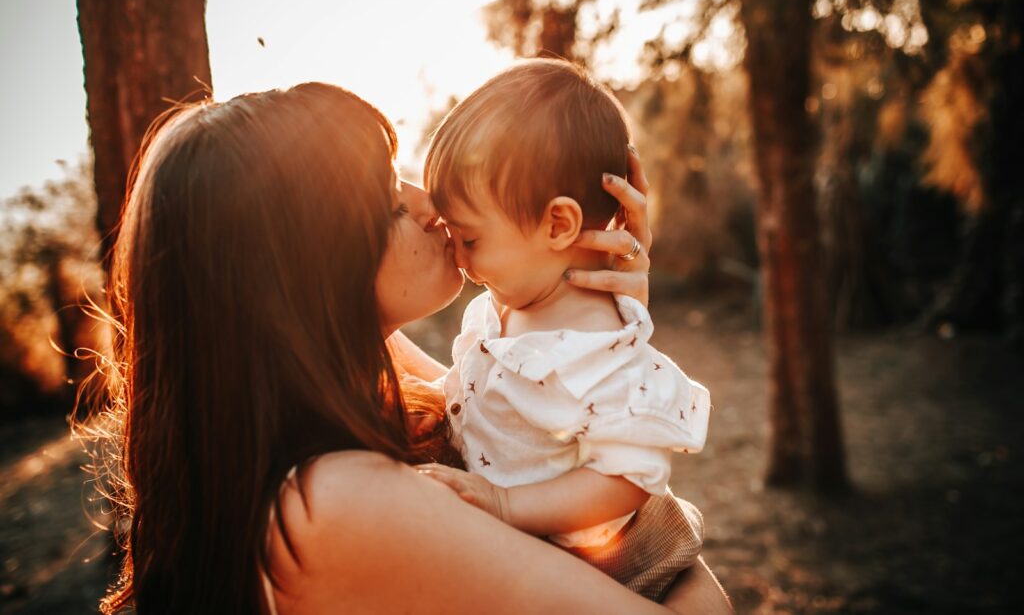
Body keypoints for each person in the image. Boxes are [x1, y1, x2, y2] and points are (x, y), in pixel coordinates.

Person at [84, 81, 733, 613]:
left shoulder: (369, 378)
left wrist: (601, 324)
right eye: (386, 199)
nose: (431, 206)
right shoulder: (330, 502)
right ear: (305, 265)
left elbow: (536, 432)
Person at [416, 59, 711, 602]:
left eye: (471, 239)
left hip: (611, 569)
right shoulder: (507, 301)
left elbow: (631, 477)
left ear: (559, 224)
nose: (456, 256)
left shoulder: (594, 348)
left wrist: (506, 505)